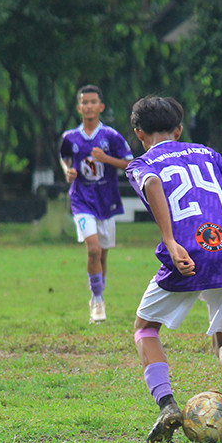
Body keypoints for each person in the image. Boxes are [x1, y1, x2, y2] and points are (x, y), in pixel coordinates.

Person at [125, 96, 222, 443]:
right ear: (179, 129)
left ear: (139, 132)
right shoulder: (206, 152)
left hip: (186, 253)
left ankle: (168, 405)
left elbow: (153, 184)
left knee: (145, 329)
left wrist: (171, 243)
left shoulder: (141, 162)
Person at [58, 85, 134, 323]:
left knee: (102, 254)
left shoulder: (110, 136)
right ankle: (97, 300)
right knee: (92, 249)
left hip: (107, 201)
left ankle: (98, 293)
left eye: (93, 102)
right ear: (79, 107)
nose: (89, 106)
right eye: (84, 102)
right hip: (81, 200)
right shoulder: (70, 137)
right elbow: (64, 158)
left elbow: (130, 163)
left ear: (101, 107)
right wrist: (67, 171)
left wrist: (106, 159)